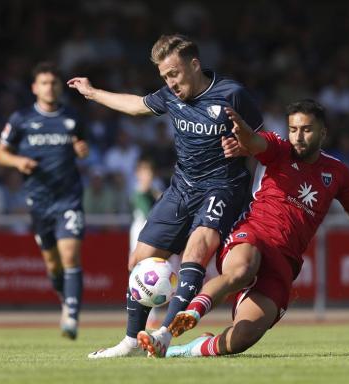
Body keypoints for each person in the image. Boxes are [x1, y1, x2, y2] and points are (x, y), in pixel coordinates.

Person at [165, 99, 349, 358]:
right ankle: (192, 312)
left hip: (285, 262)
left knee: (242, 338)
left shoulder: (338, 173)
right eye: (294, 129)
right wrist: (242, 129)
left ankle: (186, 350)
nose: (298, 136)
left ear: (322, 133)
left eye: (306, 129)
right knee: (242, 269)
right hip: (253, 236)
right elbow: (254, 142)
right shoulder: (278, 150)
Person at [68, 34, 263, 358]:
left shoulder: (233, 94)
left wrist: (244, 146)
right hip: (182, 187)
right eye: (164, 77)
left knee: (196, 248)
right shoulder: (170, 97)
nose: (170, 83)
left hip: (222, 187)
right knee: (138, 260)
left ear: (194, 64)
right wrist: (92, 93)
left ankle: (166, 334)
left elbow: (262, 140)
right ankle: (131, 341)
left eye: (174, 74)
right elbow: (136, 105)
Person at [0, 62, 89, 340]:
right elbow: (0, 154)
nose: (50, 87)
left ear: (60, 87)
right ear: (35, 88)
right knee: (52, 264)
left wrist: (82, 150)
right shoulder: (21, 118)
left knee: (70, 254)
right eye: (44, 83)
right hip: (39, 200)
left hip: (69, 196)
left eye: (54, 83)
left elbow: (82, 149)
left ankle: (71, 314)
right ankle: (64, 297)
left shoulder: (73, 117)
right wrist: (17, 160)